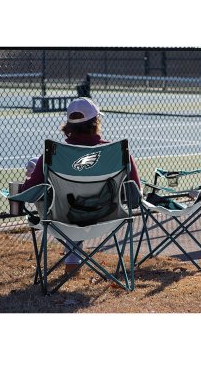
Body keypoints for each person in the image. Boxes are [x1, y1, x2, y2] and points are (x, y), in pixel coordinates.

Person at [21, 97, 141, 273]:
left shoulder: (50, 156)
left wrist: (30, 177)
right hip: (108, 218)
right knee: (81, 202)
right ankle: (74, 264)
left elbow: (28, 192)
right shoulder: (118, 153)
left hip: (62, 220)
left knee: (66, 202)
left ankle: (72, 264)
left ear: (68, 125)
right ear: (96, 121)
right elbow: (135, 193)